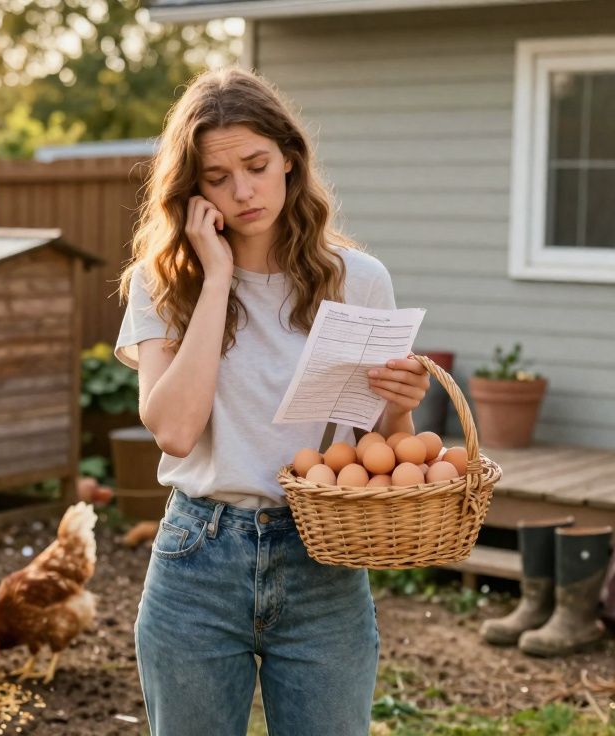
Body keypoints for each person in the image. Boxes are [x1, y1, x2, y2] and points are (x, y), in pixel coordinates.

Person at [113, 66, 431, 736]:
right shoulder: (163, 282)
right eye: (217, 178)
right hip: (197, 560)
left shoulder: (359, 281)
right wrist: (218, 278)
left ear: (290, 157)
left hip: (323, 560)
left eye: (256, 165)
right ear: (193, 191)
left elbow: (381, 446)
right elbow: (172, 429)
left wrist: (402, 406)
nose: (243, 191)